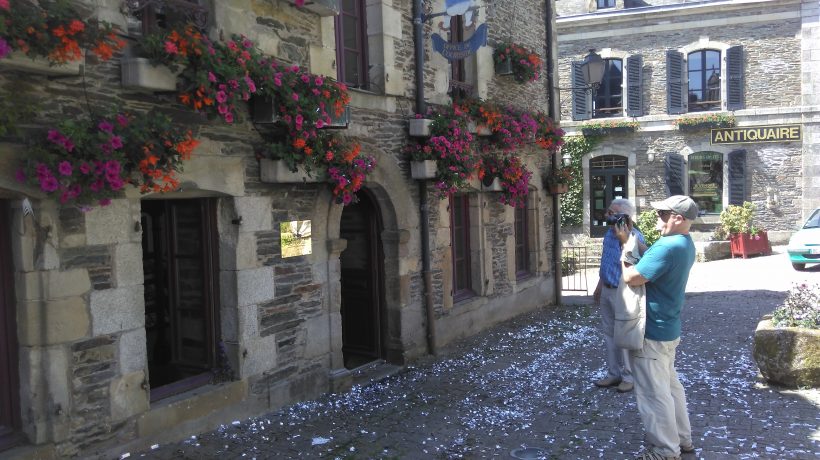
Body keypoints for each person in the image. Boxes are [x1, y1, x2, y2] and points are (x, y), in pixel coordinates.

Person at [617, 195, 699, 460]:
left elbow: (632, 277)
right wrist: (639, 243)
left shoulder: (669, 246)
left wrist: (626, 249)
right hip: (668, 329)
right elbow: (655, 259)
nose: (657, 219)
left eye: (662, 214)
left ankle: (664, 450)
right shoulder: (683, 243)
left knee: (654, 395)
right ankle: (682, 441)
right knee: (671, 390)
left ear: (678, 218)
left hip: (651, 332)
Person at [592, 198, 644, 393]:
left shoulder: (635, 236)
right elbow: (605, 260)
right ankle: (613, 373)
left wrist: (626, 239)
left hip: (622, 291)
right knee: (609, 334)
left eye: (611, 213)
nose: (607, 216)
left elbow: (638, 264)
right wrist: (599, 285)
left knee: (624, 335)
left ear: (624, 216)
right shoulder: (608, 234)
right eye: (608, 212)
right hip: (607, 289)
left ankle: (629, 376)